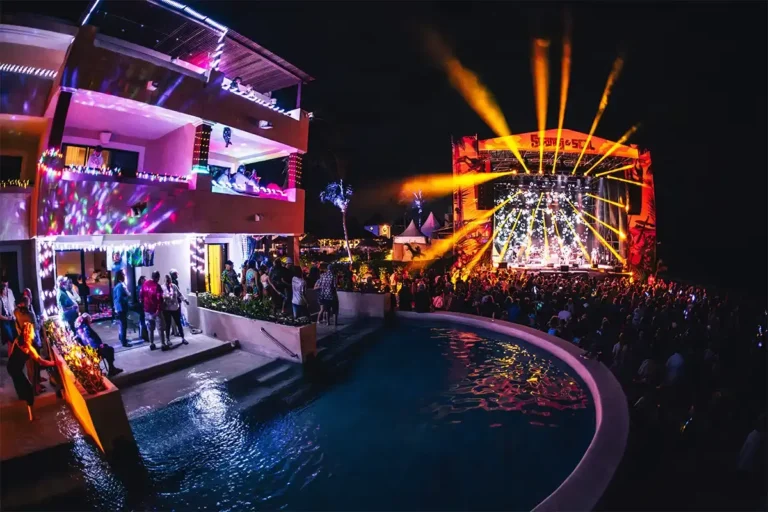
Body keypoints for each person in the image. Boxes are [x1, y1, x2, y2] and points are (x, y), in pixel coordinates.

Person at [8, 323, 56, 421]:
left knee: (18, 383)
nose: (34, 332)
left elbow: (11, 353)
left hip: (10, 366)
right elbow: (41, 361)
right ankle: (32, 417)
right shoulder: (29, 348)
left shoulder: (17, 340)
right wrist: (54, 363)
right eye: (32, 331)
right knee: (29, 390)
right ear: (29, 333)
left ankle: (21, 396)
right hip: (16, 370)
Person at [14, 295, 44, 394]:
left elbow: (17, 326)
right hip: (33, 342)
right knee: (34, 366)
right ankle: (36, 389)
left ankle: (34, 386)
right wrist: (41, 321)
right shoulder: (30, 314)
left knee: (29, 366)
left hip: (24, 342)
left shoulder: (16, 312)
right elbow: (36, 328)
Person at [141, 271, 170, 351]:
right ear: (157, 277)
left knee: (150, 328)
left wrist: (144, 306)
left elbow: (141, 296)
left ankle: (151, 343)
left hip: (147, 310)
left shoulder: (145, 284)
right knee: (160, 328)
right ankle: (163, 344)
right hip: (156, 311)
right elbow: (159, 299)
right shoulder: (157, 286)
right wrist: (158, 310)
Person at [162, 274, 188, 345]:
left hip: (175, 308)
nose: (168, 282)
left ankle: (183, 338)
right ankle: (167, 339)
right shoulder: (162, 288)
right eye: (167, 280)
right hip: (167, 309)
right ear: (164, 281)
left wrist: (185, 300)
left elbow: (180, 294)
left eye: (169, 280)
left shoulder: (174, 286)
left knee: (178, 323)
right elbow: (160, 297)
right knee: (168, 324)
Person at [113, 270, 130, 347]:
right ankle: (124, 341)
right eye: (123, 275)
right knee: (124, 325)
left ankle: (122, 338)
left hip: (119, 308)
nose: (124, 276)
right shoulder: (120, 286)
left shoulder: (117, 286)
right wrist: (128, 297)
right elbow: (120, 298)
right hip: (121, 308)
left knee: (121, 324)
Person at [0, 281, 17, 345]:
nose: (6, 290)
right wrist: (7, 318)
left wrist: (14, 315)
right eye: (4, 289)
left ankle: (12, 352)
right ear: (2, 290)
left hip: (10, 318)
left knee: (13, 337)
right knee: (9, 338)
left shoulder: (8, 295)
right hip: (5, 321)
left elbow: (12, 304)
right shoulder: (0, 300)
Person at [135, 276, 149, 343]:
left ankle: (143, 335)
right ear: (141, 280)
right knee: (143, 321)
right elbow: (140, 298)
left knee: (142, 321)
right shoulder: (140, 288)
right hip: (142, 306)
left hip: (142, 306)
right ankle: (145, 336)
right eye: (144, 279)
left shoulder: (141, 287)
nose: (146, 280)